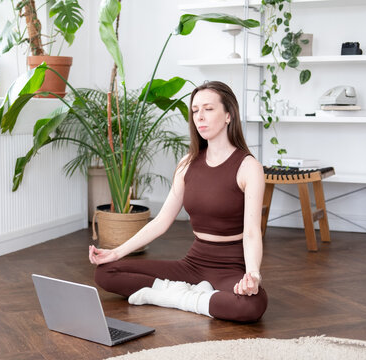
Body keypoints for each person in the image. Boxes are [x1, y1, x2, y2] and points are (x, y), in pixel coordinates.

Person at [88, 81, 267, 322]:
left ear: (228, 115)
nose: (200, 117)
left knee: (252, 304)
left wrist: (253, 274)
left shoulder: (249, 167)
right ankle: (193, 299)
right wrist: (116, 252)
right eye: (195, 110)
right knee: (106, 272)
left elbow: (252, 232)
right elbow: (161, 221)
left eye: (208, 109)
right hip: (192, 264)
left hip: (230, 268)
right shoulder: (187, 164)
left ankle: (170, 297)